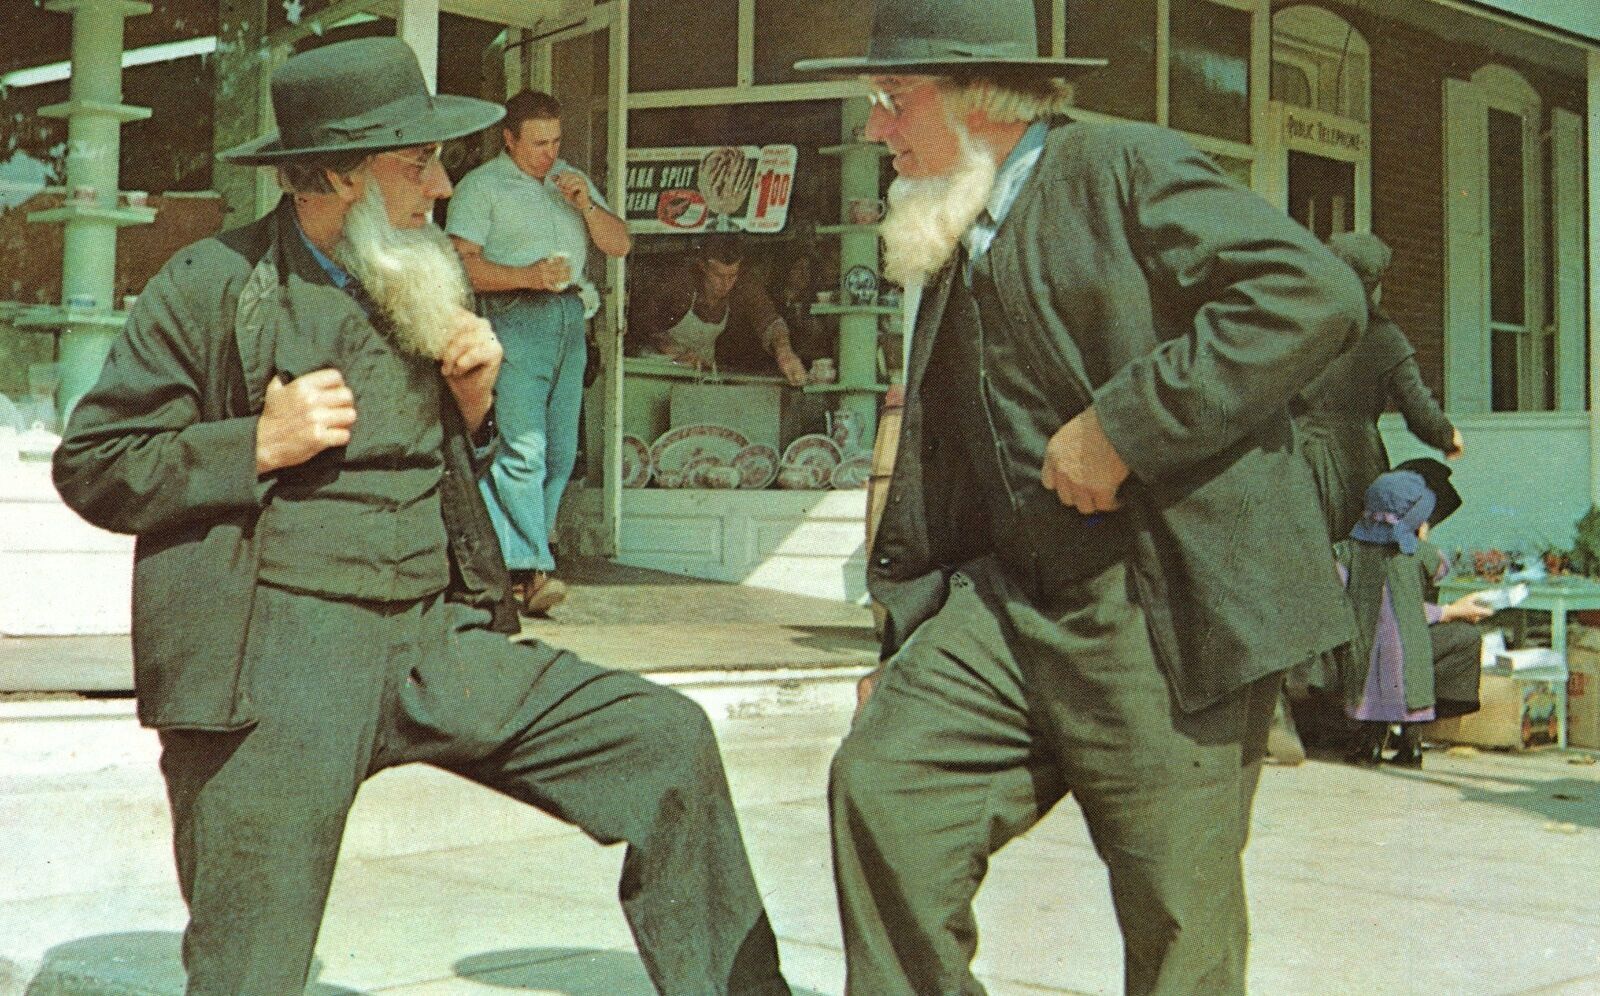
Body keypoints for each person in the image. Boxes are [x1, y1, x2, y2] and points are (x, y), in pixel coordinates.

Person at [51, 38, 788, 996]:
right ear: (333, 176)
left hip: (434, 638)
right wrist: (253, 445)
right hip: (279, 657)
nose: (441, 186)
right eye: (417, 163)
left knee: (665, 742)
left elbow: (442, 462)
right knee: (248, 969)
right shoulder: (214, 284)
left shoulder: (419, 269)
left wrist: (474, 407)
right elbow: (95, 464)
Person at [792, 1, 1367, 993]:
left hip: (1162, 611)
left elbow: (1310, 290)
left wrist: (1124, 429)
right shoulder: (956, 221)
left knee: (1175, 920)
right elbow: (954, 466)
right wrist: (912, 643)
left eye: (893, 100)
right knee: (886, 785)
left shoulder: (1121, 168)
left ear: (982, 97)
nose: (876, 128)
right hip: (1010, 605)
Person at [446, 89, 631, 615]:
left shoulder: (568, 179)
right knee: (521, 447)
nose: (548, 153)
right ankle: (531, 567)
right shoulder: (482, 187)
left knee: (559, 453)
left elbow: (619, 244)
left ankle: (524, 561)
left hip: (569, 318)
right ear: (510, 139)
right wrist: (527, 276)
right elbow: (460, 266)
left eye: (555, 141)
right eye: (537, 143)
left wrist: (585, 204)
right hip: (514, 313)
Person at [1297, 231, 1463, 541]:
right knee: (1357, 562)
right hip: (1352, 465)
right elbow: (1417, 409)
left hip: (1289, 459)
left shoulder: (1300, 324)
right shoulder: (1382, 336)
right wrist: (1448, 437)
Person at [1335, 467, 1494, 767]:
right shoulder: (1419, 553)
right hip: (1411, 644)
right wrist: (1420, 539)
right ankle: (1413, 750)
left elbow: (1336, 577)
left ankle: (1369, 748)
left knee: (1373, 693)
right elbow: (1442, 568)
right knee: (1412, 693)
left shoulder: (1350, 551)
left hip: (1368, 642)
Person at [627, 234, 810, 385]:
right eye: (719, 275)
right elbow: (641, 322)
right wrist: (675, 351)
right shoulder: (680, 283)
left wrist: (784, 352)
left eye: (732, 275)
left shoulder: (743, 283)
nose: (726, 284)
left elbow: (769, 319)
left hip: (701, 377)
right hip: (656, 374)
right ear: (703, 267)